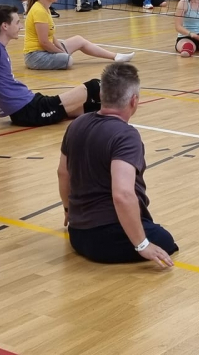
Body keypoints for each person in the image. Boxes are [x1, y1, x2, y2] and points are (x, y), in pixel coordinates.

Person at [58, 62, 177, 267]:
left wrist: (69, 210)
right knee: (165, 241)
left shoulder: (76, 124)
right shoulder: (125, 136)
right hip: (108, 237)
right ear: (134, 100)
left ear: (101, 95)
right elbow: (122, 194)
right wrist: (142, 244)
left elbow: (63, 173)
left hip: (77, 234)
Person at [0, 5, 103, 142]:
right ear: (5, 26)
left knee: (92, 107)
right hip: (28, 111)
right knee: (94, 86)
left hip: (30, 103)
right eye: (17, 22)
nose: (20, 26)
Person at [24, 0, 133, 70]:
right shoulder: (39, 11)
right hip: (36, 56)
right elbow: (44, 42)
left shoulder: (45, 8)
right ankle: (63, 56)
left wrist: (61, 50)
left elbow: (51, 37)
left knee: (78, 40)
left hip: (45, 50)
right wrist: (62, 53)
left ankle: (116, 56)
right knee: (68, 60)